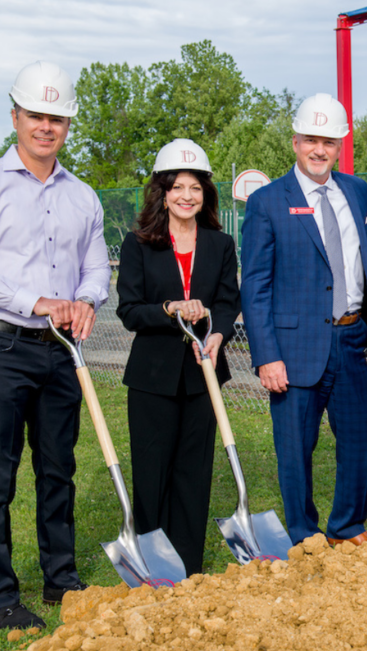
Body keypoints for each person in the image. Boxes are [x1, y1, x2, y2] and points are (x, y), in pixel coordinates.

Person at [0, 62, 110, 629]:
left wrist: (83, 300)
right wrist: (37, 301)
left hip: (62, 351)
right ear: (15, 117)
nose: (45, 127)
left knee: (58, 467)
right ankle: (1, 594)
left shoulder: (83, 196)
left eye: (56, 118)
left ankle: (61, 579)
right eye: (36, 115)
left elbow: (97, 268)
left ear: (68, 125)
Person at [240, 94, 367, 548]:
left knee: (364, 438)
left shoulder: (357, 190)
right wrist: (266, 356)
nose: (319, 150)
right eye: (311, 140)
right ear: (295, 142)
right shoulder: (267, 202)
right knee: (295, 450)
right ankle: (305, 535)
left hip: (349, 340)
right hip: (294, 348)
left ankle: (347, 527)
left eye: (329, 141)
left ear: (340, 145)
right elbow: (255, 286)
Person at [116, 139, 241, 575]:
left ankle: (187, 566)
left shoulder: (220, 244)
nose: (187, 196)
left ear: (205, 194)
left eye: (196, 188)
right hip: (152, 377)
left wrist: (218, 331)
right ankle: (153, 565)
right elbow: (129, 311)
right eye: (178, 187)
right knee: (153, 472)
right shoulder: (139, 245)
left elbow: (228, 300)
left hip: (202, 373)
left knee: (194, 472)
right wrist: (171, 309)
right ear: (163, 193)